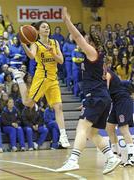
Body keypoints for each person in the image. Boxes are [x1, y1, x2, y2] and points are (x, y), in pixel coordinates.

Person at [56, 7, 121, 174]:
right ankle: (112, 157)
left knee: (82, 129)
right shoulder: (93, 56)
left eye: (85, 39)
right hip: (99, 98)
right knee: (92, 133)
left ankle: (73, 160)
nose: (81, 40)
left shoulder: (93, 53)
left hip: (97, 98)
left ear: (91, 42)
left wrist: (67, 21)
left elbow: (77, 36)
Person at [8, 20, 70, 148]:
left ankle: (63, 136)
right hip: (41, 78)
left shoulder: (54, 42)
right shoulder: (36, 44)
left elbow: (61, 60)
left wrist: (52, 52)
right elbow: (31, 56)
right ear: (38, 31)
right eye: (44, 27)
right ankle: (19, 78)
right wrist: (24, 44)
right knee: (28, 103)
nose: (47, 29)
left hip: (53, 79)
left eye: (48, 27)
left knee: (58, 107)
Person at [105, 60, 134, 166]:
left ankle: (132, 157)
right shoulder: (100, 73)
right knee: (109, 127)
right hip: (116, 102)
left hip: (123, 100)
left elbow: (105, 89)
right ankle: (115, 155)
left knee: (123, 128)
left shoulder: (106, 73)